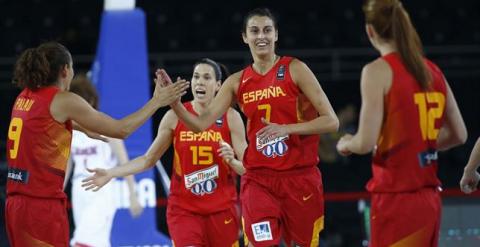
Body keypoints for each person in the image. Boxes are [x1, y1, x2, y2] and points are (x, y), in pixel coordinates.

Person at [157, 8, 338, 247]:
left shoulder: (295, 69)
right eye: (254, 31)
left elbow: (331, 121)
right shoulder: (236, 82)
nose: (261, 36)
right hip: (259, 179)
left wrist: (287, 129)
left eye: (267, 30)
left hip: (299, 177)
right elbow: (200, 124)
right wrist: (175, 104)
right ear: (245, 37)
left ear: (276, 35)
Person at [5, 42, 188, 246]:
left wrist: (82, 127)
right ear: (65, 70)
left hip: (16, 202)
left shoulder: (24, 97)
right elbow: (122, 130)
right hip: (40, 206)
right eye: (72, 67)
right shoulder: (63, 99)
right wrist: (157, 101)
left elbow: (41, 123)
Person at [336, 0, 467, 246]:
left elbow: (365, 142)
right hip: (430, 201)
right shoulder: (433, 70)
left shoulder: (377, 71)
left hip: (397, 202)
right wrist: (417, 145)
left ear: (370, 31)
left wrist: (346, 144)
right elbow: (459, 135)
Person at [81, 58, 248, 247]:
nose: (199, 82)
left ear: (218, 85)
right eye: (196, 77)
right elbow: (147, 160)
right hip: (185, 211)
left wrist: (233, 161)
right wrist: (111, 173)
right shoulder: (174, 117)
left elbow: (248, 168)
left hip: (222, 211)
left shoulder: (231, 118)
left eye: (206, 77)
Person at [65, 75, 144, 247]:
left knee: (83, 240)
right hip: (79, 191)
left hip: (102, 190)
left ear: (91, 100)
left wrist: (133, 194)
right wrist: (56, 191)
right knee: (98, 242)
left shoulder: (107, 126)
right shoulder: (70, 130)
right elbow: (68, 164)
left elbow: (125, 162)